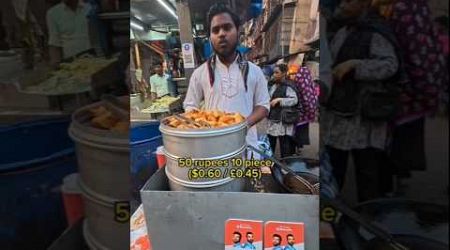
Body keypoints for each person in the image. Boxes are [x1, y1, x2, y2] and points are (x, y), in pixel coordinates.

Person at [321, 0, 401, 202]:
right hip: (339, 113)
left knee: (366, 171)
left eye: (349, 2)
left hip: (364, 117)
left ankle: (367, 220)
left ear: (363, 5)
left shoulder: (376, 33)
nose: (343, 6)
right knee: (334, 168)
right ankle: (333, 217)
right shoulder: (342, 31)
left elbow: (390, 65)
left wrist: (355, 65)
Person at [183, 3, 270, 157]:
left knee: (246, 180)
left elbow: (263, 105)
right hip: (213, 150)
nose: (221, 34)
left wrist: (244, 125)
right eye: (215, 30)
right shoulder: (200, 73)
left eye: (227, 27)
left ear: (238, 31)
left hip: (246, 148)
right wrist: (203, 125)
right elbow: (190, 106)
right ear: (210, 37)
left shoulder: (255, 72)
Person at [46, 0, 91, 67]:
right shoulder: (52, 13)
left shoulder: (89, 8)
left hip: (94, 57)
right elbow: (54, 41)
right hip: (72, 63)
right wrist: (55, 62)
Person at [267, 64, 298, 158]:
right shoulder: (273, 85)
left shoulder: (289, 86)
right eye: (274, 72)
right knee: (270, 142)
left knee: (284, 144)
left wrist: (280, 100)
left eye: (277, 72)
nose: (274, 75)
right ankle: (270, 164)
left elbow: (294, 100)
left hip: (283, 120)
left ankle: (285, 166)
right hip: (272, 117)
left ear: (284, 73)